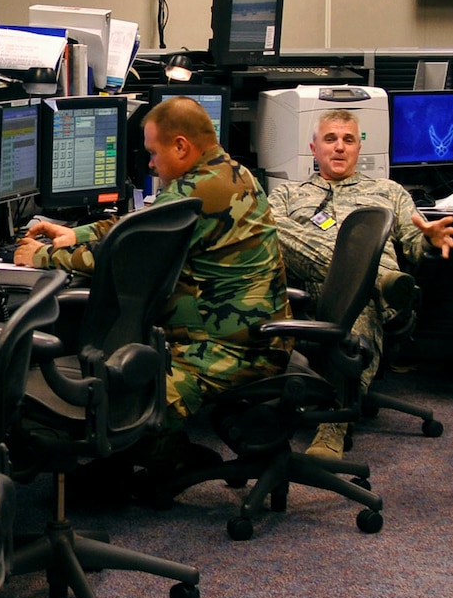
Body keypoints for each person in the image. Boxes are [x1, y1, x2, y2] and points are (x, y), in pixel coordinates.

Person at [16, 97, 291, 471]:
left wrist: (41, 256)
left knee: (122, 403)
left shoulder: (199, 191)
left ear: (181, 145)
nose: (149, 163)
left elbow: (123, 258)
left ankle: (163, 454)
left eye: (152, 152)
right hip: (240, 335)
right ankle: (161, 454)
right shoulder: (228, 173)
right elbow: (139, 223)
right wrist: (72, 234)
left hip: (231, 351)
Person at [267, 109, 453, 456]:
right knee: (268, 227)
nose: (339, 147)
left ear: (359, 149)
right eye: (330, 139)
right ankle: (376, 279)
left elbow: (415, 246)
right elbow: (269, 243)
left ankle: (332, 428)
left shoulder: (389, 191)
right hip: (307, 294)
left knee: (356, 302)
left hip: (367, 303)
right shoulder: (286, 195)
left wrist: (429, 239)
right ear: (314, 148)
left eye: (348, 140)